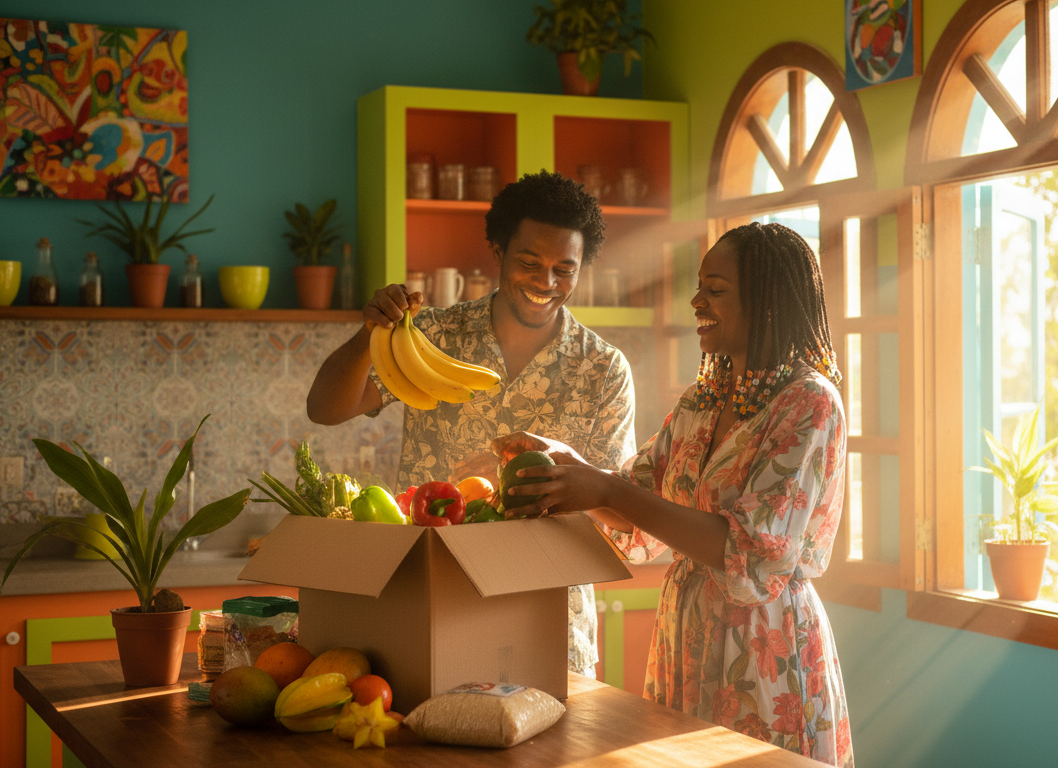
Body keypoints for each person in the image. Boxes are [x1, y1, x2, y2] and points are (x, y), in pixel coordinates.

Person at [493, 222, 853, 766]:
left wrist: (604, 485)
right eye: (700, 285)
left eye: (716, 288)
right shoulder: (700, 402)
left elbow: (751, 549)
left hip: (765, 646)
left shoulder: (809, 404)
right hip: (685, 635)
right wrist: (567, 467)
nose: (696, 300)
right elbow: (636, 505)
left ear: (766, 299)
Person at [306, 169, 637, 680]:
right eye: (529, 262)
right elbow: (325, 408)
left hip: (549, 615)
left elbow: (616, 504)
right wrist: (368, 334)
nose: (545, 283)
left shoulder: (604, 368)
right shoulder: (434, 335)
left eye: (563, 270)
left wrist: (521, 476)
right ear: (498, 250)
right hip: (428, 598)